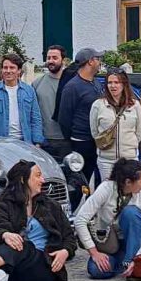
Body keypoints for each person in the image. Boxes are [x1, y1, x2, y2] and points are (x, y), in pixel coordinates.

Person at [0, 160, 75, 281]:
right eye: (38, 175)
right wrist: (5, 234)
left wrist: (65, 252)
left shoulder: (51, 206)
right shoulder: (4, 204)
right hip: (15, 265)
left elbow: (70, 237)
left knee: (21, 245)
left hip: (42, 267)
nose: (43, 180)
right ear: (23, 179)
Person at [73, 159, 141, 281]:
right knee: (95, 270)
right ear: (128, 182)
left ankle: (133, 262)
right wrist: (94, 253)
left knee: (131, 212)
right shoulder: (106, 188)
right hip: (109, 245)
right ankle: (130, 266)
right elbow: (80, 220)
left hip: (131, 244)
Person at [57, 48, 104, 183]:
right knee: (80, 181)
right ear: (90, 61)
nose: (100, 62)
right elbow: (64, 118)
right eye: (97, 59)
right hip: (81, 142)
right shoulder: (72, 87)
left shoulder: (95, 82)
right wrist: (72, 138)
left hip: (97, 140)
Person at [89, 68, 141, 181]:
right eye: (110, 82)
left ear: (124, 84)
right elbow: (94, 131)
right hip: (106, 159)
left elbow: (140, 132)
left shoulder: (135, 105)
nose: (113, 86)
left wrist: (129, 145)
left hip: (130, 159)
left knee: (129, 194)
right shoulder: (98, 105)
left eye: (116, 82)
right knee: (110, 194)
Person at [0, 54, 45, 146]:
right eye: (5, 68)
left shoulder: (29, 91)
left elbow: (35, 118)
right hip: (0, 143)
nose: (8, 71)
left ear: (19, 70)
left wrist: (37, 142)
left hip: (25, 142)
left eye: (12, 67)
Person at [32, 45, 70, 158]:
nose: (50, 61)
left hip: (67, 140)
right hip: (44, 140)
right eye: (48, 58)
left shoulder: (72, 83)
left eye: (54, 58)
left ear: (63, 60)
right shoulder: (37, 83)